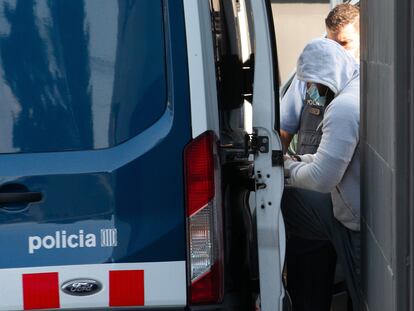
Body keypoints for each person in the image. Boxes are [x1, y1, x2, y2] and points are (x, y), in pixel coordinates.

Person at [282, 38, 361, 310]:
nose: (313, 90)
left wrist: (287, 169)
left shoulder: (342, 108)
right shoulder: (356, 88)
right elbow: (331, 159)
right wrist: (301, 160)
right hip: (357, 214)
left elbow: (321, 179)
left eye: (314, 82)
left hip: (354, 223)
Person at [280, 3, 360, 151]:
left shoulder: (367, 80)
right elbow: (284, 132)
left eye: (344, 43)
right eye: (331, 44)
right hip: (306, 170)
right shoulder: (308, 77)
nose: (336, 52)